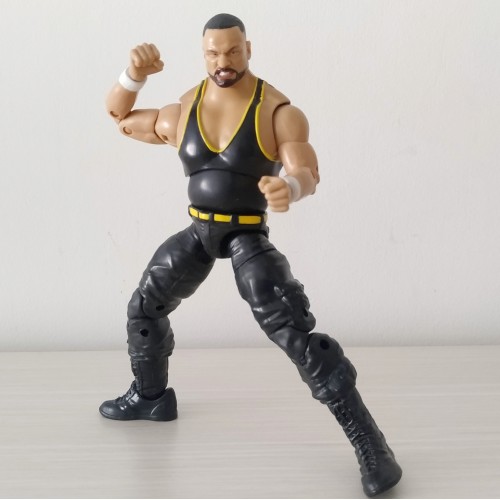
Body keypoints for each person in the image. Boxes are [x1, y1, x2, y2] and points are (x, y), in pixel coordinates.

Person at [100, 13, 402, 498]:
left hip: (246, 236)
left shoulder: (277, 112)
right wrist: (132, 75)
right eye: (213, 53)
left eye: (233, 51)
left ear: (248, 48)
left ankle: (372, 445)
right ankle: (151, 397)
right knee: (144, 306)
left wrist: (290, 187)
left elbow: (306, 169)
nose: (223, 61)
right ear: (203, 54)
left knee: (296, 334)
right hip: (199, 231)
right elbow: (121, 119)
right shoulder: (184, 109)